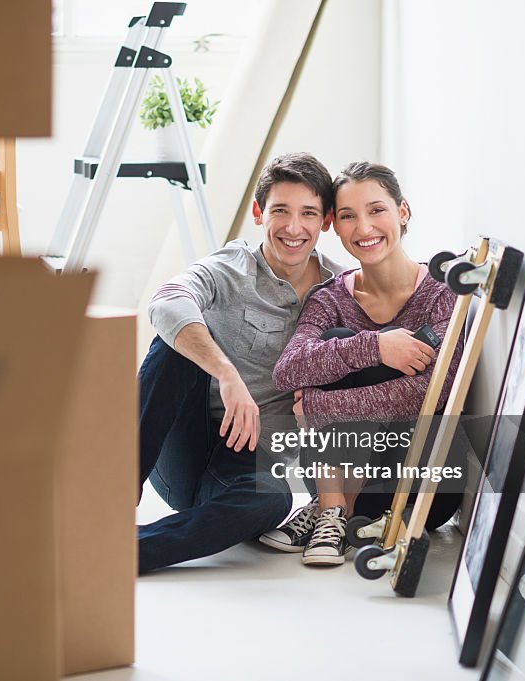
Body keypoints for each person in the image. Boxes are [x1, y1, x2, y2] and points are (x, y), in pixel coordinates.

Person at [137, 152, 344, 574]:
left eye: (308, 214)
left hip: (243, 468)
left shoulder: (340, 290)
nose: (293, 227)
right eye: (280, 211)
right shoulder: (229, 268)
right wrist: (226, 374)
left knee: (274, 500)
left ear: (324, 221)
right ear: (258, 213)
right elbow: (167, 300)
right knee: (177, 343)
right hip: (184, 447)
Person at [261, 161, 463, 566]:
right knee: (333, 344)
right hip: (343, 461)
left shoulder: (443, 295)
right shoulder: (330, 297)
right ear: (335, 226)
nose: (364, 228)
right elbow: (288, 369)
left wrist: (320, 407)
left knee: (332, 352)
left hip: (419, 470)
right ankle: (334, 511)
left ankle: (329, 512)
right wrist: (375, 346)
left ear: (402, 212)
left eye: (376, 210)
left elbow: (435, 390)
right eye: (349, 216)